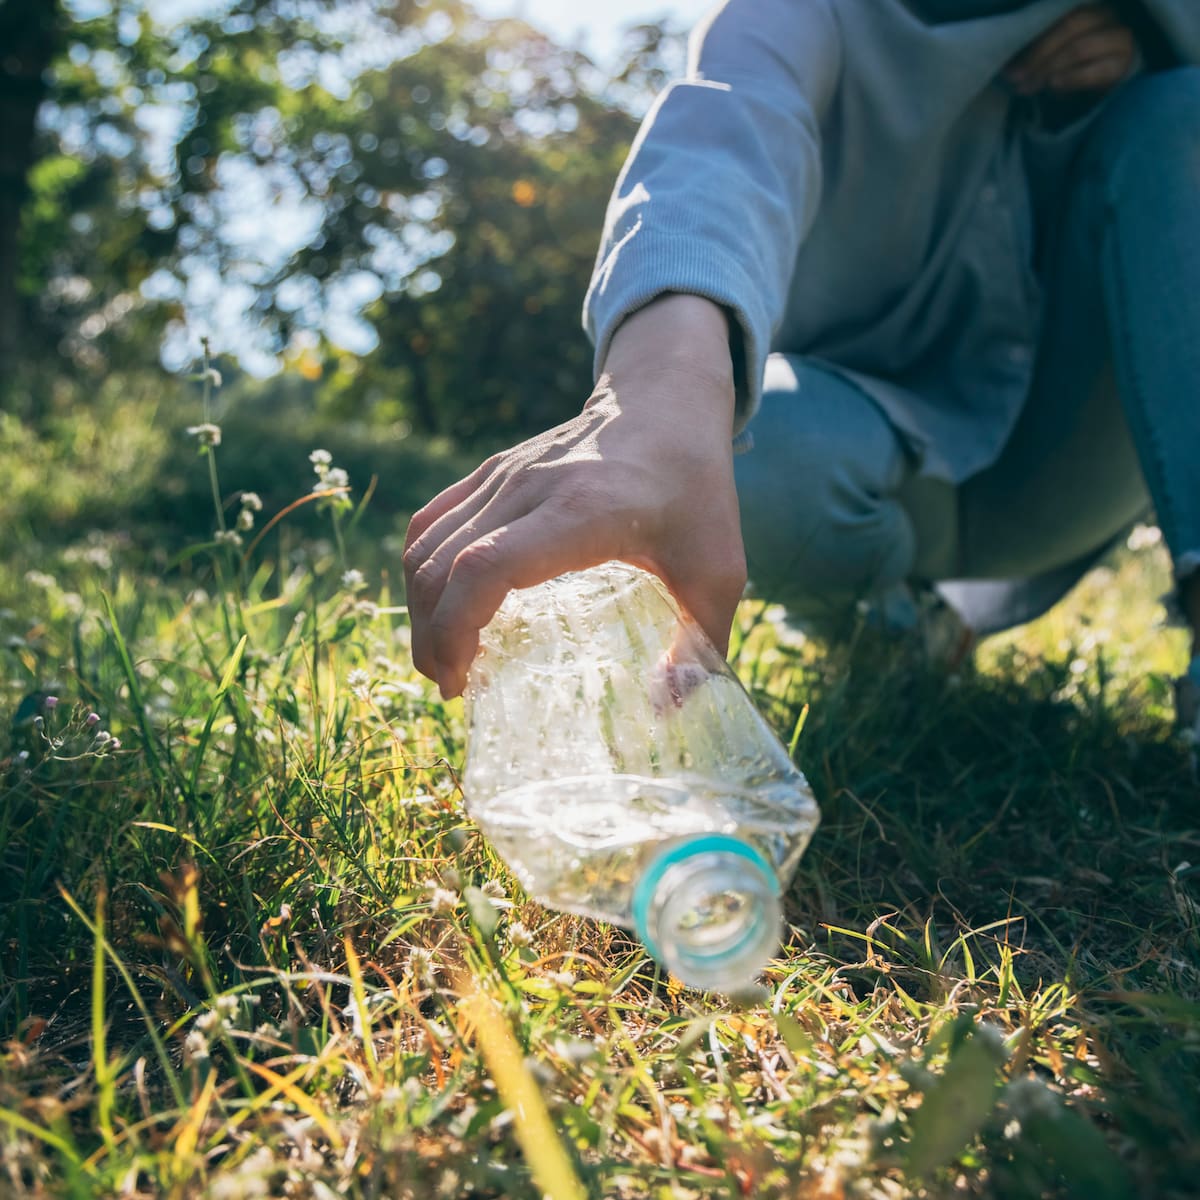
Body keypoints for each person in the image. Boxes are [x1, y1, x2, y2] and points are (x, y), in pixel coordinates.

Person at [402, 0, 1200, 735]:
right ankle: (897, 629)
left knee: (1182, 115)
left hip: (1076, 458)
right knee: (742, 453)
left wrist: (1151, 66)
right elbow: (722, 134)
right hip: (861, 450)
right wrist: (651, 404)